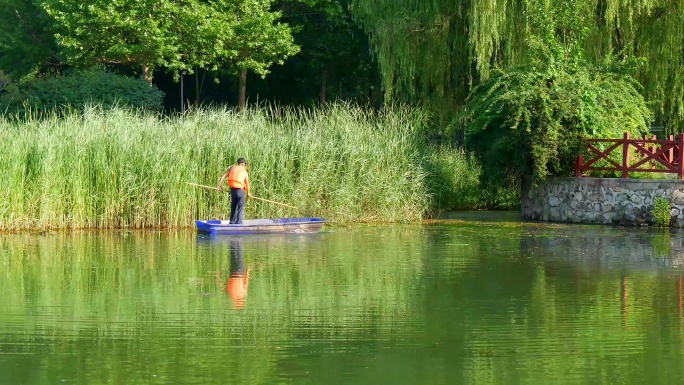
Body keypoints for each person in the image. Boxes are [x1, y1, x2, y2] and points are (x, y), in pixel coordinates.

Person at [217, 157, 252, 224]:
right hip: (240, 191)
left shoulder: (232, 169)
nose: (245, 166)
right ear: (242, 164)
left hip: (233, 191)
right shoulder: (244, 172)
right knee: (240, 208)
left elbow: (223, 176)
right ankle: (238, 223)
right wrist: (248, 193)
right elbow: (247, 184)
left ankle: (232, 222)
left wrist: (219, 185)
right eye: (245, 164)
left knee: (233, 207)